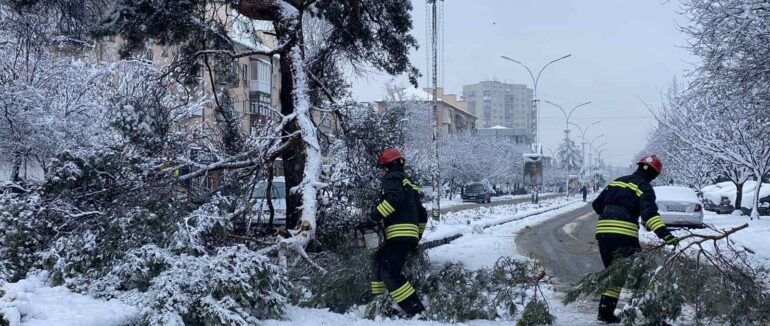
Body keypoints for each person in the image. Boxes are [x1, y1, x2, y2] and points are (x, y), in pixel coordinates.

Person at [591, 155, 679, 324]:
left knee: (614, 273)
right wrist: (665, 235)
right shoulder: (644, 187)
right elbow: (649, 214)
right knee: (636, 273)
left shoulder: (616, 182)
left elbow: (597, 206)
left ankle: (605, 313)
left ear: (638, 167)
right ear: (654, 174)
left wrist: (614, 210)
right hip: (624, 235)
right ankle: (647, 312)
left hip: (603, 233)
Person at [365, 147, 426, 317]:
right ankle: (379, 302)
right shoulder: (409, 184)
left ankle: (416, 310)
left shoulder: (392, 178)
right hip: (407, 235)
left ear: (389, 166)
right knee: (379, 262)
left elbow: (394, 199)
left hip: (398, 234)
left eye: (383, 168)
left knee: (390, 272)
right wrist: (416, 237)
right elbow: (423, 214)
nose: (382, 172)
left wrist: (374, 217)